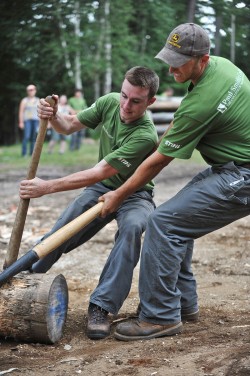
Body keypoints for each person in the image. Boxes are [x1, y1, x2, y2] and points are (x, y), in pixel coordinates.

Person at [99, 23, 250, 341]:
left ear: (202, 59)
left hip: (241, 175)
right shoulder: (223, 68)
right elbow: (174, 137)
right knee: (177, 218)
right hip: (231, 166)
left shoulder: (202, 101)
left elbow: (158, 162)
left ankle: (159, 316)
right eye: (169, 57)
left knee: (164, 223)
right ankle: (183, 304)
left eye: (179, 61)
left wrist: (119, 193)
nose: (170, 68)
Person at [19, 66, 159, 340]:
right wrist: (53, 115)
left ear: (150, 102)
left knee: (132, 229)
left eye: (135, 101)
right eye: (124, 96)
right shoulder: (109, 103)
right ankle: (22, 278)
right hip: (101, 188)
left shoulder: (146, 135)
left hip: (135, 194)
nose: (125, 106)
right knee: (62, 230)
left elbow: (99, 172)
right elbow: (68, 126)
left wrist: (47, 187)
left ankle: (101, 307)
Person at [18, 84, 40, 156]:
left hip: (36, 120)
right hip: (27, 120)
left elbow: (40, 112)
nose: (30, 91)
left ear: (35, 90)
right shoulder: (24, 100)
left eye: (32, 90)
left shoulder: (38, 100)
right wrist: (21, 122)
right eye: (29, 90)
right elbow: (21, 112)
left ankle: (32, 153)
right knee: (26, 136)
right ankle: (24, 153)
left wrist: (40, 123)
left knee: (34, 137)